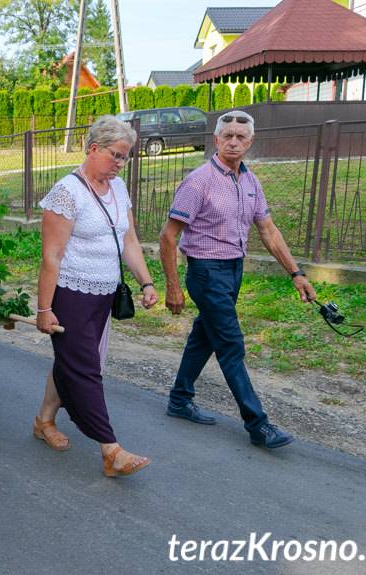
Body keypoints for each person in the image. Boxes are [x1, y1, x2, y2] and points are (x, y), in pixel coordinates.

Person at [159, 110, 316, 449]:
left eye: (240, 137)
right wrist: (173, 286)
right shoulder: (198, 181)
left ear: (250, 142)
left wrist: (296, 274)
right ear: (216, 140)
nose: (233, 141)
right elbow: (168, 236)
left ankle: (179, 399)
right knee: (231, 345)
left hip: (233, 270)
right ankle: (258, 425)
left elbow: (269, 231)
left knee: (205, 335)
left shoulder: (250, 181)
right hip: (205, 271)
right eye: (227, 135)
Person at [35, 115, 158, 477]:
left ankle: (44, 421)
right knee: (86, 369)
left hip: (103, 297)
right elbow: (50, 257)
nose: (121, 164)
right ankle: (111, 450)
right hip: (70, 296)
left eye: (126, 157)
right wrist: (44, 308)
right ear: (93, 149)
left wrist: (147, 282)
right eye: (116, 156)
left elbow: (129, 240)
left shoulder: (118, 189)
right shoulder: (66, 192)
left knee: (72, 363)